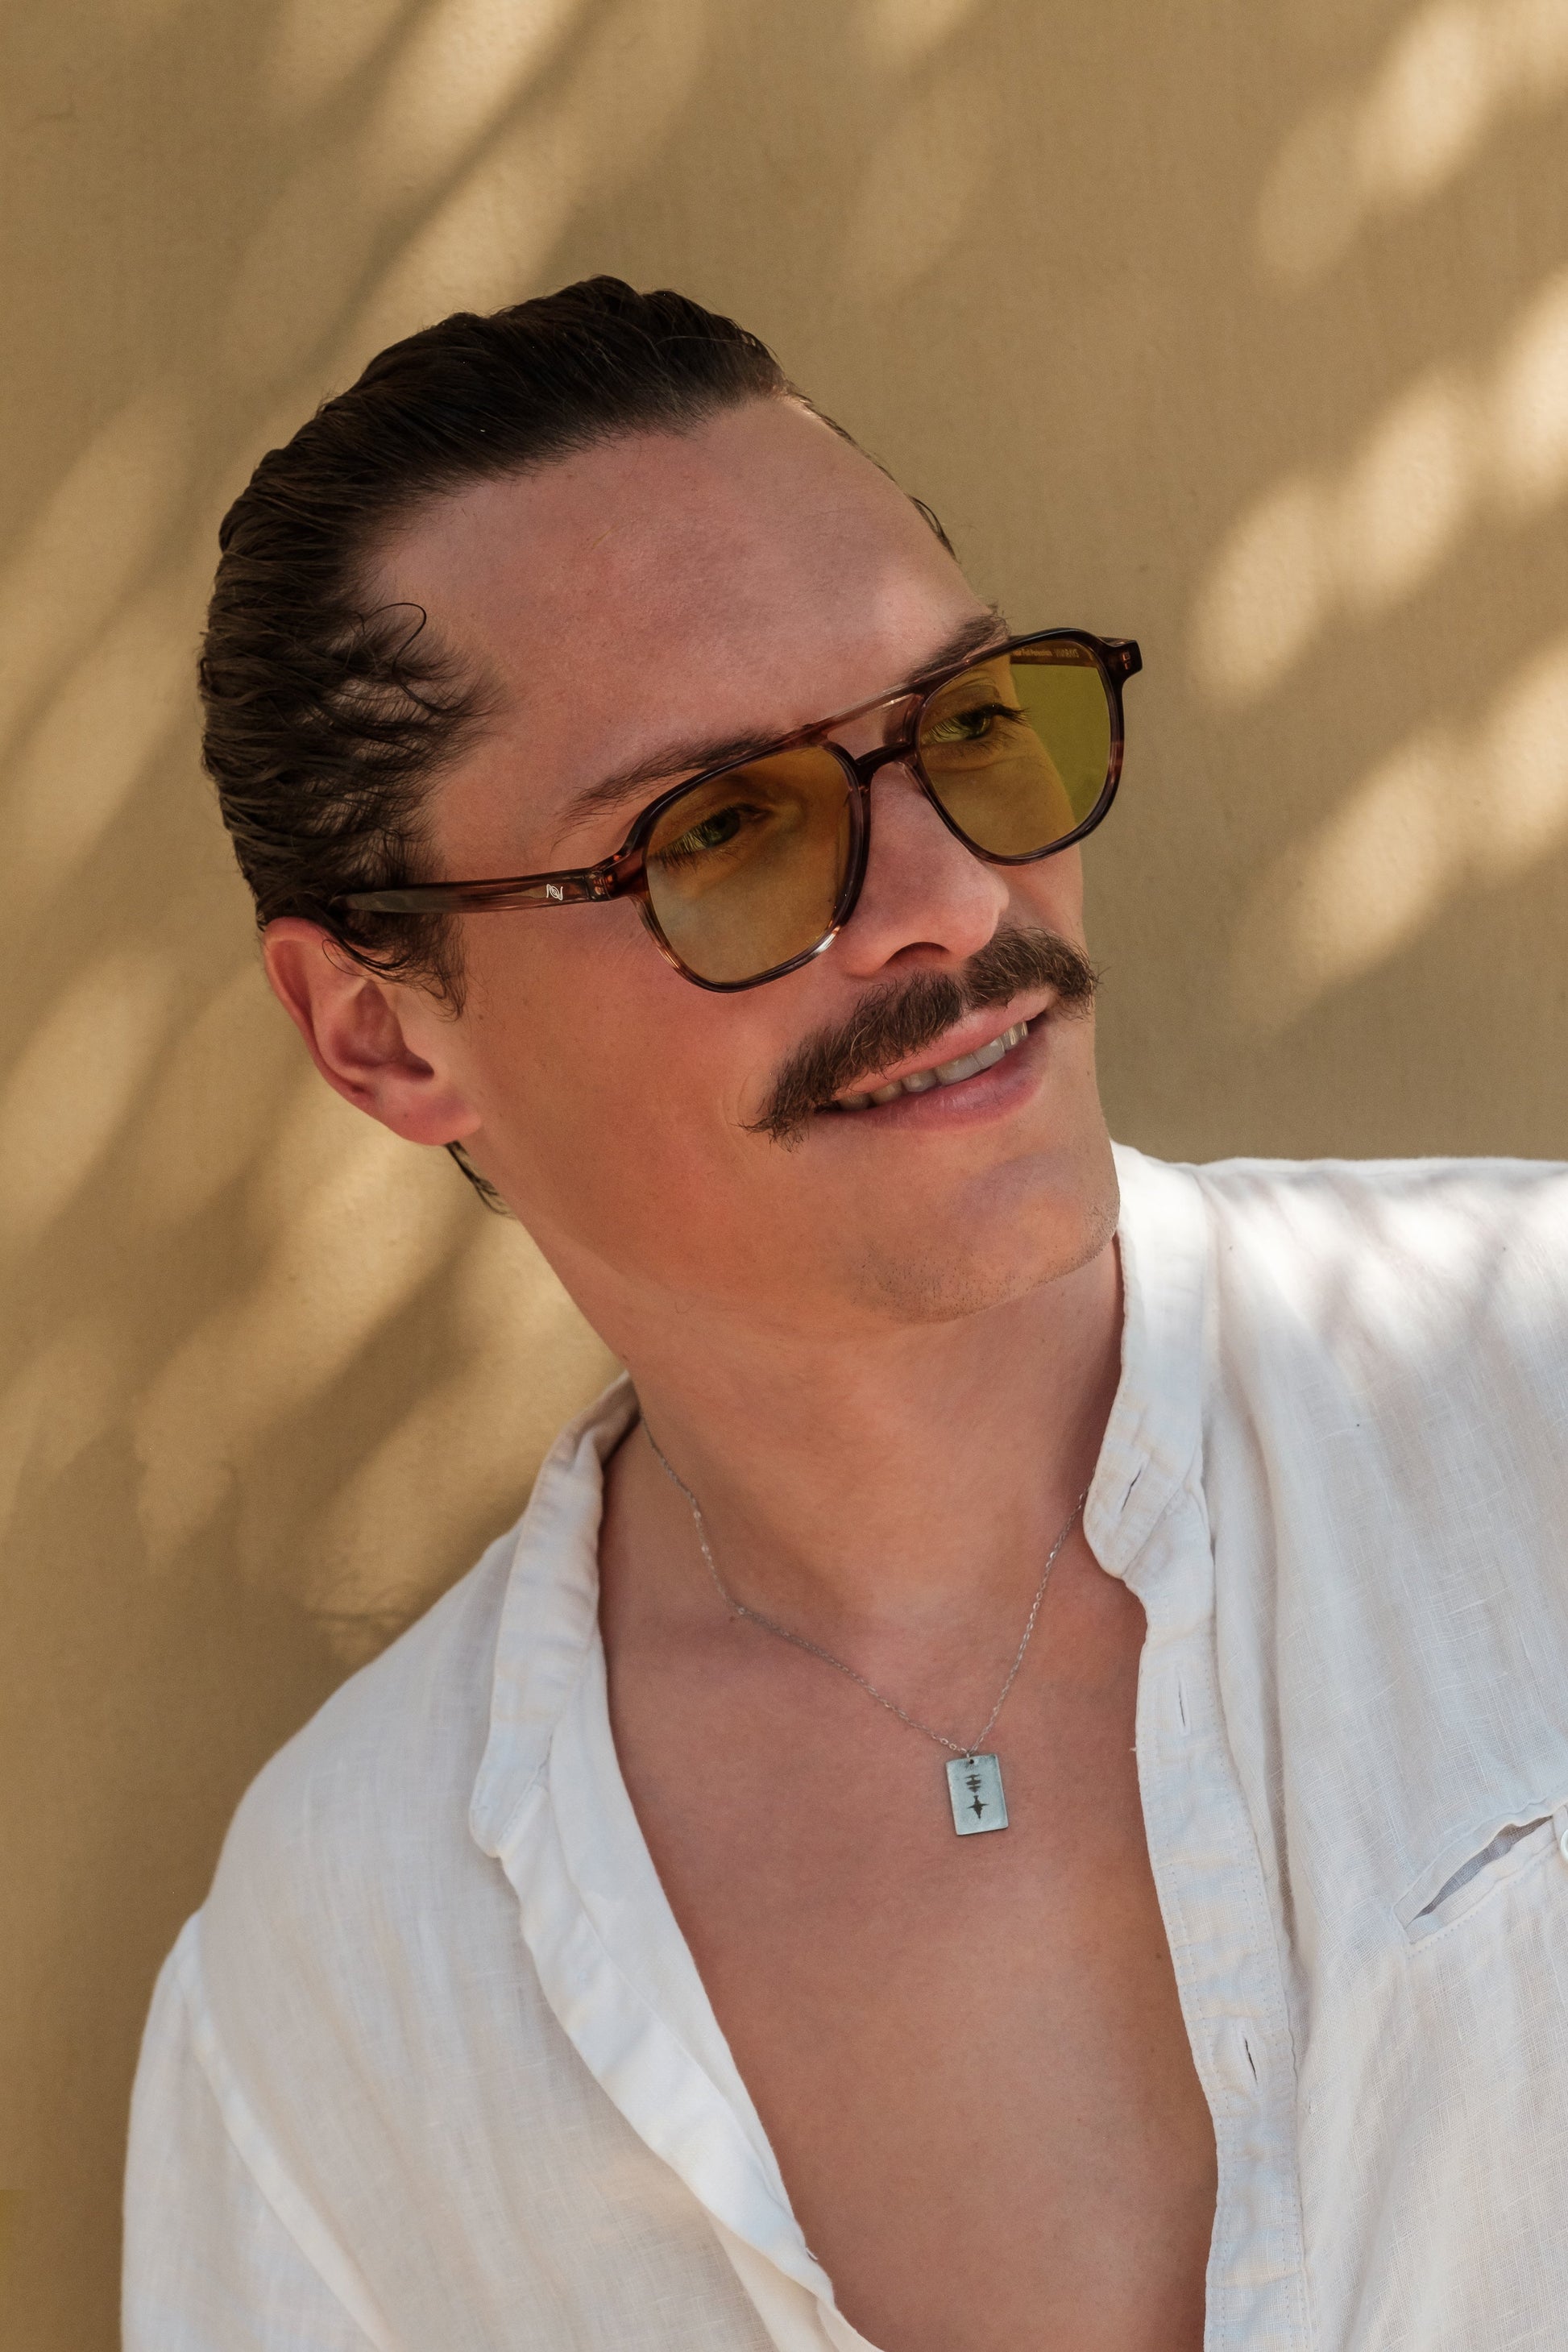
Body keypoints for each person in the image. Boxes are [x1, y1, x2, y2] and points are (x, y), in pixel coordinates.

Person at [123, 279, 1568, 2352]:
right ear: (381, 1032)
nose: (952, 899)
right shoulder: (339, 1991)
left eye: (966, 728)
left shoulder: (1527, 1395)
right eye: (718, 832)